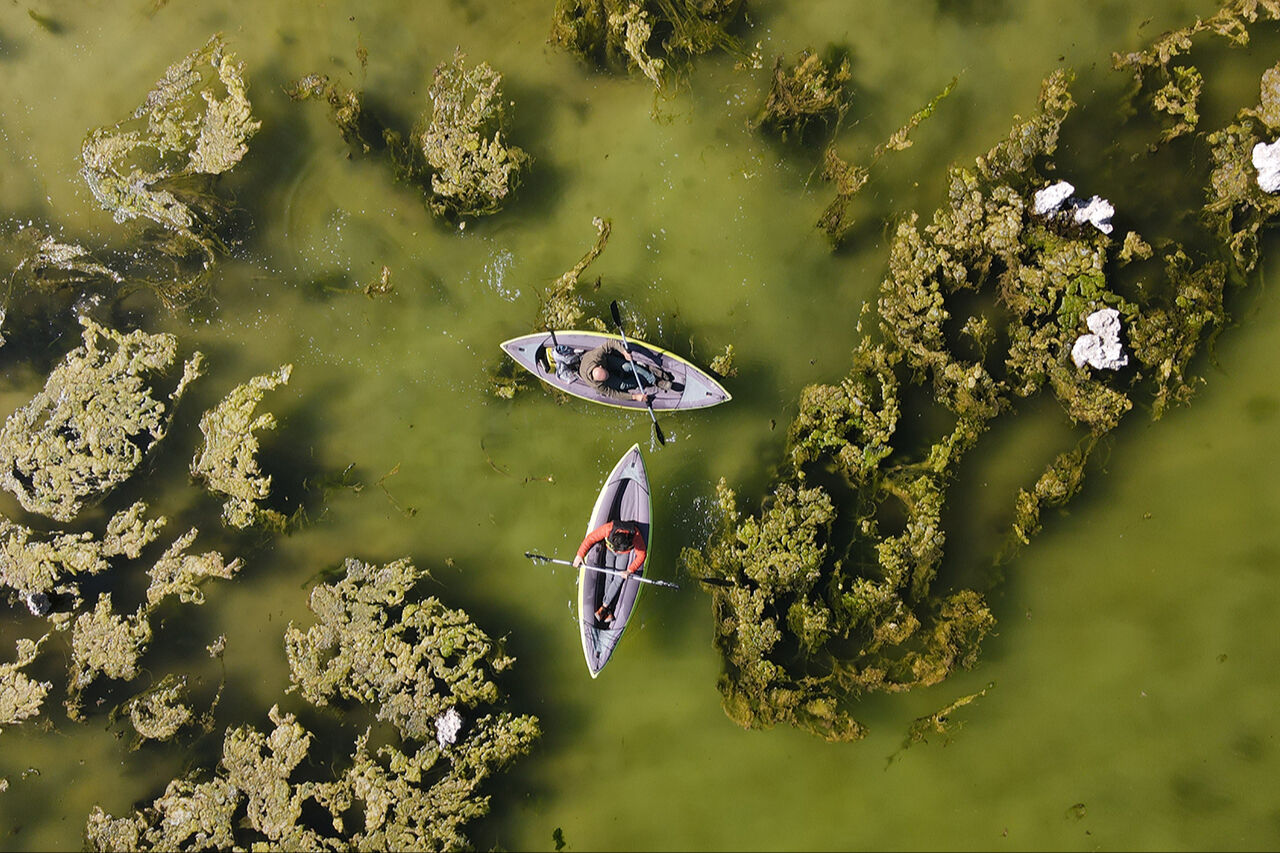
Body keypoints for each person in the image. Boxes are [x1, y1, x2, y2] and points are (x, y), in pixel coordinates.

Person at [573, 519, 647, 624]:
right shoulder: (608, 528)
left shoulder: (635, 534)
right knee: (609, 576)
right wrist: (580, 555)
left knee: (618, 579)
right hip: (610, 551)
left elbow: (642, 555)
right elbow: (591, 538)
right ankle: (608, 610)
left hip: (624, 554)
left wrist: (630, 570)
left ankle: (604, 607)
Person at [577, 339, 675, 402]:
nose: (609, 374)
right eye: (606, 377)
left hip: (607, 361)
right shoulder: (597, 385)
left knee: (628, 366)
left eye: (607, 374)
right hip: (604, 376)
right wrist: (635, 397)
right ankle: (647, 375)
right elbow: (614, 394)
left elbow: (611, 342)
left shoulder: (596, 356)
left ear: (600, 367)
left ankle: (654, 380)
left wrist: (624, 352)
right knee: (624, 385)